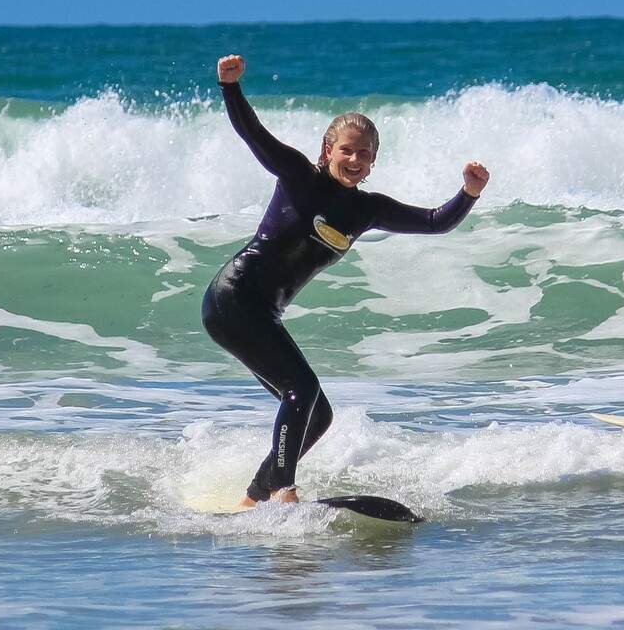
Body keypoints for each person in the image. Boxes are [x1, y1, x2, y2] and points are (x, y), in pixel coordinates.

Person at [202, 54, 490, 507]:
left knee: (317, 415)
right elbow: (252, 134)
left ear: (373, 162)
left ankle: (254, 499)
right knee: (303, 391)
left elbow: (435, 222)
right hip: (233, 298)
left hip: (263, 314)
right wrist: (230, 87)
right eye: (346, 150)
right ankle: (282, 491)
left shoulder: (366, 209)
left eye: (364, 153)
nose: (354, 159)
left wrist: (468, 193)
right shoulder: (299, 175)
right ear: (327, 151)